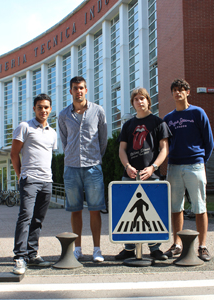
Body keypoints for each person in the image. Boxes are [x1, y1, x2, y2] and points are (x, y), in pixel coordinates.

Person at [115, 87, 172, 261]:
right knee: (129, 213)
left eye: (143, 98)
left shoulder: (158, 123)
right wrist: (128, 167)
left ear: (148, 100)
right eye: (136, 99)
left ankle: (154, 248)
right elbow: (122, 150)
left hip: (151, 175)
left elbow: (164, 149)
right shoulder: (128, 125)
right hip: (131, 175)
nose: (140, 101)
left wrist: (153, 167)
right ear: (132, 103)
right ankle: (129, 248)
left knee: (153, 212)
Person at [163, 78, 214, 261]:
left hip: (195, 165)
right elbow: (165, 145)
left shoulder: (198, 113)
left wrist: (200, 160)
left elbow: (209, 141)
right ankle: (176, 245)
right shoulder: (168, 119)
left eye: (181, 89)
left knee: (200, 207)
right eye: (175, 90)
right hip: (174, 166)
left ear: (188, 92)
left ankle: (202, 246)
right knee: (176, 208)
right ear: (172, 94)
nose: (178, 93)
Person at [58, 76, 107, 262]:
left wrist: (95, 157)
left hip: (93, 167)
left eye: (81, 88)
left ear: (86, 90)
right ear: (70, 91)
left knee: (95, 209)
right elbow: (65, 141)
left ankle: (97, 249)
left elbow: (103, 140)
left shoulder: (98, 111)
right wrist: (72, 156)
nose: (78, 91)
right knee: (75, 210)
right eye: (75, 88)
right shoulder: (63, 115)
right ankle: (77, 249)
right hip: (71, 168)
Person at [10, 93, 57, 274]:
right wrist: (20, 174)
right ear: (34, 109)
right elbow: (14, 153)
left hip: (47, 181)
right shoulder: (25, 127)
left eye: (46, 107)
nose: (43, 110)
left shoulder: (52, 133)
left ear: (50, 109)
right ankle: (19, 257)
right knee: (25, 217)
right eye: (39, 107)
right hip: (30, 180)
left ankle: (32, 254)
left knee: (38, 219)